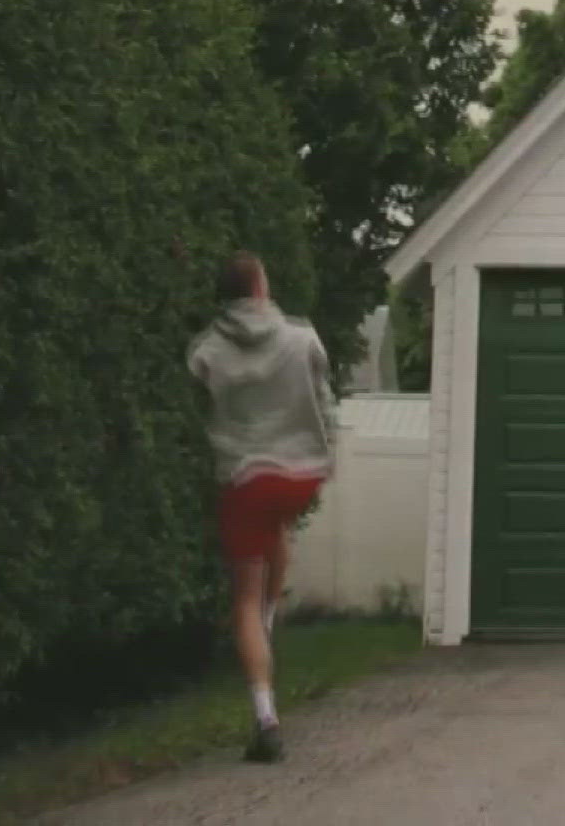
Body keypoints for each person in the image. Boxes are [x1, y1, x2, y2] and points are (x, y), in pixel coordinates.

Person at [186, 251, 338, 763]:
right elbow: (323, 398)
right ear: (258, 287)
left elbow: (202, 404)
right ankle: (270, 622)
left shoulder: (206, 350)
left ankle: (265, 717)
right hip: (301, 474)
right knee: (278, 527)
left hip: (247, 477)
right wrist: (327, 451)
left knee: (243, 600)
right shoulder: (302, 337)